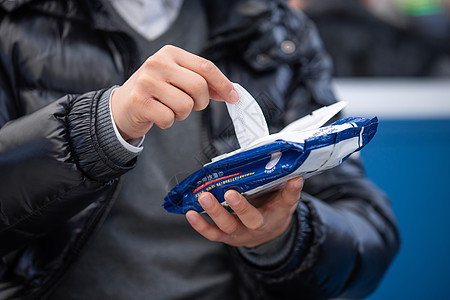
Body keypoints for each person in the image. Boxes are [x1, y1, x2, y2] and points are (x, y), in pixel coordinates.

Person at [0, 0, 400, 299]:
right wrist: (99, 130)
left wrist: (285, 236)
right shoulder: (12, 23)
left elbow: (369, 234)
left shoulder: (276, 29)